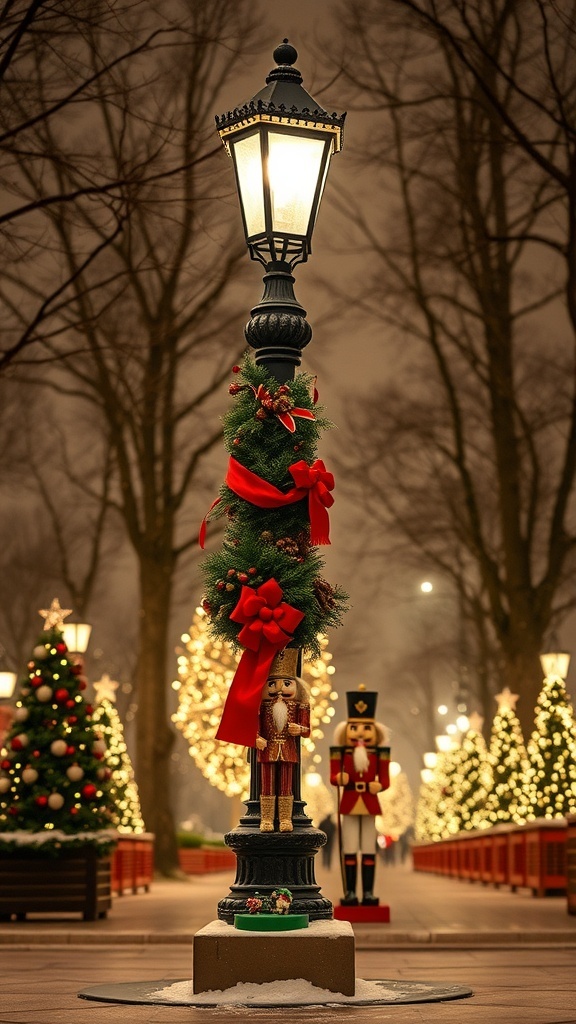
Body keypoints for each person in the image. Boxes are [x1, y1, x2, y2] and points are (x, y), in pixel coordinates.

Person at [330, 685, 390, 905]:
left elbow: (385, 780)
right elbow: (333, 775)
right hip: (350, 801)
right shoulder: (340, 752)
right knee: (349, 847)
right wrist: (340, 778)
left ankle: (367, 893)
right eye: (354, 727)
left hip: (370, 802)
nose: (361, 733)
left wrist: (379, 786)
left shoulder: (380, 754)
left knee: (368, 848)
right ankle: (350, 893)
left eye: (367, 727)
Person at [256, 648, 310, 833]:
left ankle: (286, 818)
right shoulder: (262, 707)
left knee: (286, 785)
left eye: (286, 683)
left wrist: (300, 729)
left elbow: (307, 729)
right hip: (267, 748)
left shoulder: (299, 705)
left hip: (288, 749)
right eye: (272, 684)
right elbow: (253, 725)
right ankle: (267, 819)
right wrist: (256, 738)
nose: (279, 689)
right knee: (267, 784)